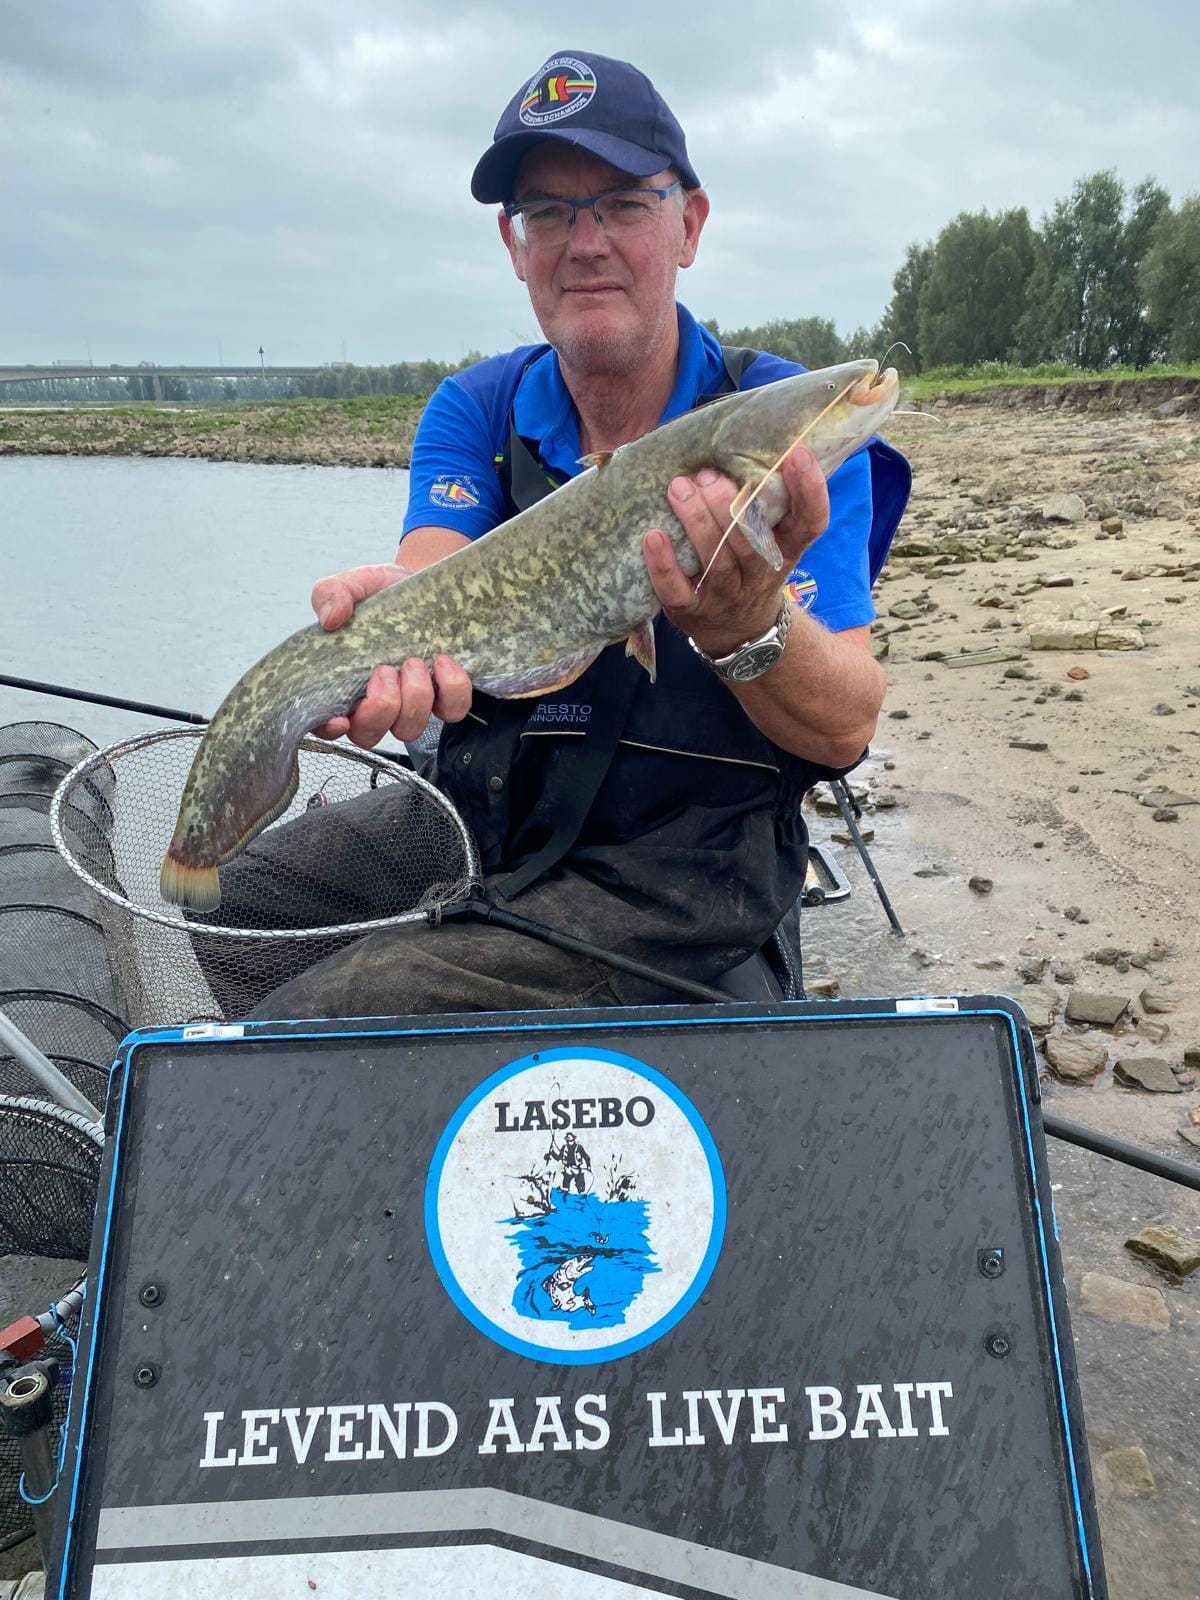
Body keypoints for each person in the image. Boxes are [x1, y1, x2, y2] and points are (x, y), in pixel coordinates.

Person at [226, 50, 910, 1021]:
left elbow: (847, 725)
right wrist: (395, 638)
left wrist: (746, 626)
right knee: (241, 904)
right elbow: (434, 573)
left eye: (625, 202)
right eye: (548, 212)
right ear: (514, 245)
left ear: (691, 223)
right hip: (488, 815)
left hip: (680, 872)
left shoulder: (778, 422)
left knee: (317, 1020)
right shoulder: (475, 406)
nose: (584, 240)